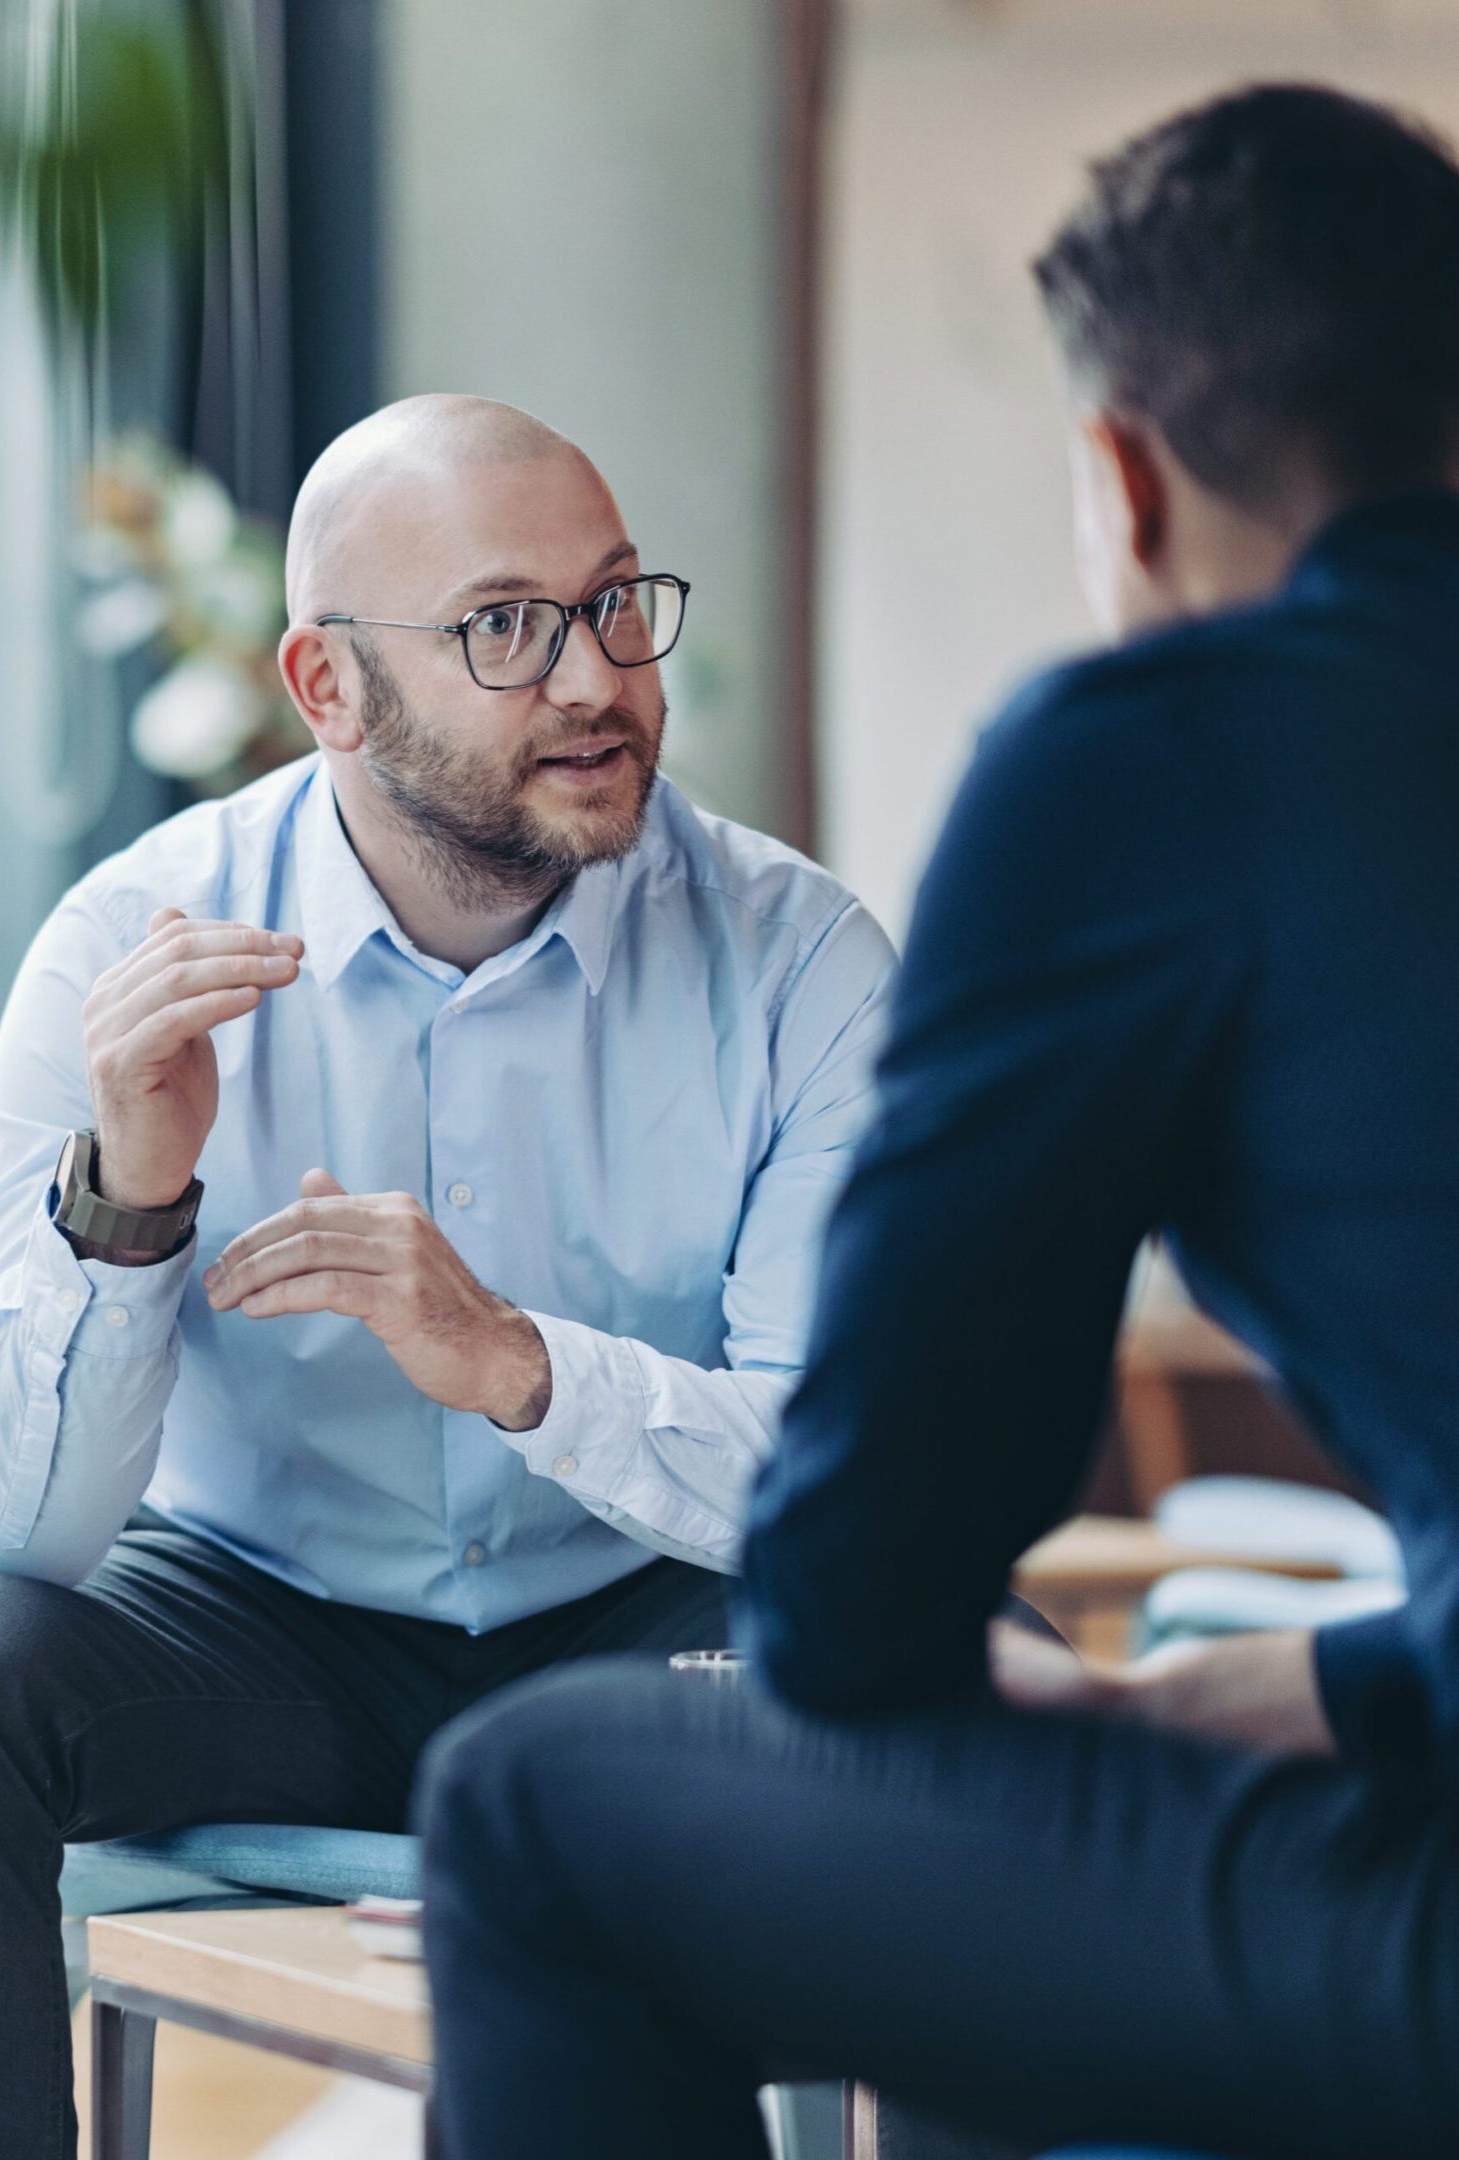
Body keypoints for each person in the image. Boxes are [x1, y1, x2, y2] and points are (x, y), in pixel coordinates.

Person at [414, 83, 1459, 2160]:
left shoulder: (1155, 753)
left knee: (530, 1807)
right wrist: (1220, 1701)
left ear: (1120, 478)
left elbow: (855, 1593)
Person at [0, 394, 897, 2159]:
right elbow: (13, 1539)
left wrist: (522, 1368)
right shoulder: (127, 944)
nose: (596, 680)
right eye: (505, 629)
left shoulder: (802, 966)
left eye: (618, 604)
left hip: (643, 1631)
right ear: (326, 689)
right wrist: (132, 1199)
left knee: (970, 1682)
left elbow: (846, 1487)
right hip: (264, 1638)